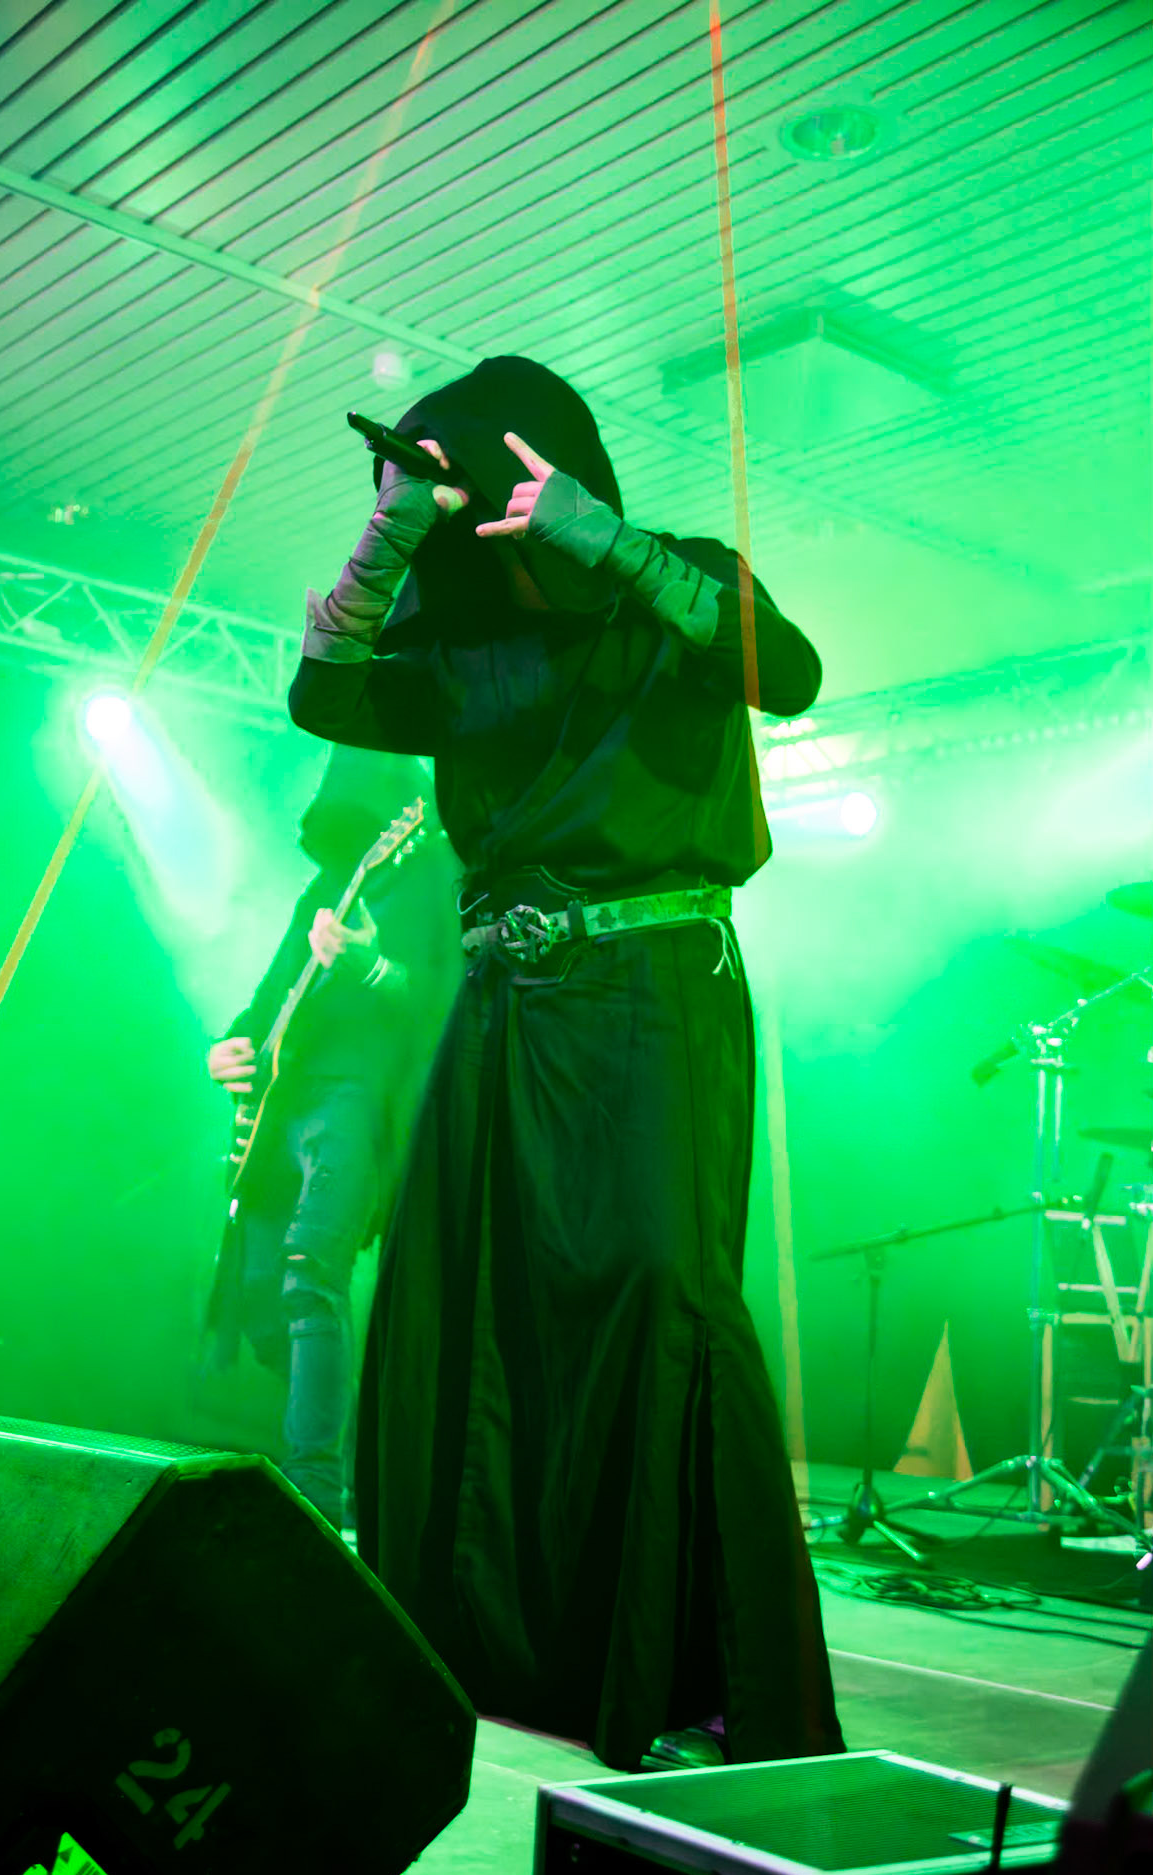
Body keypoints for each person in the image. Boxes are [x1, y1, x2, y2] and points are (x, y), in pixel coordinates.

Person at [287, 355, 845, 1771]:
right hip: (500, 998)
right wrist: (388, 535)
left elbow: (790, 675)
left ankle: (715, 1685)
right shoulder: (458, 645)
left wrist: (599, 539)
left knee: (658, 1290)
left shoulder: (679, 581)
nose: (424, 497)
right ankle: (466, 1655)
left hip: (651, 985)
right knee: (454, 1303)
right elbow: (325, 694)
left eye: (440, 475)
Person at [198, 746, 462, 1530]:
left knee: (312, 1271)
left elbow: (446, 1002)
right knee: (261, 1306)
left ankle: (315, 1491)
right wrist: (229, 1047)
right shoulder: (324, 888)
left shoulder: (434, 874)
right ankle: (348, 1444)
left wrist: (371, 964)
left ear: (405, 815)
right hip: (283, 1106)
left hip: (358, 1101)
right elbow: (268, 997)